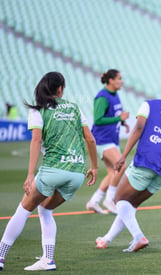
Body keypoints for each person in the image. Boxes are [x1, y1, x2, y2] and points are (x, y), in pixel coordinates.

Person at [0, 72, 98, 271]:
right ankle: (48, 259)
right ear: (60, 89)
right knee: (45, 209)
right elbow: (90, 139)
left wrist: (30, 174)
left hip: (53, 169)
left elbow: (36, 141)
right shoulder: (75, 107)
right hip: (77, 173)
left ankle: (0, 256)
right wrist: (94, 167)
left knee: (23, 210)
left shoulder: (38, 111)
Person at [94, 77, 161, 252]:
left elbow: (138, 128)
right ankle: (106, 239)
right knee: (130, 205)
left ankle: (139, 237)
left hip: (146, 162)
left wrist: (123, 155)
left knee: (119, 200)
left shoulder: (148, 105)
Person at [86, 69, 130, 214]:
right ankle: (110, 199)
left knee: (113, 172)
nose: (121, 81)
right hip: (102, 139)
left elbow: (114, 115)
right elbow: (98, 119)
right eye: (119, 78)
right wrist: (119, 119)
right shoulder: (102, 97)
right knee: (121, 166)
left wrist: (123, 123)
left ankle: (94, 201)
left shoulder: (115, 95)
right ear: (110, 80)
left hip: (111, 138)